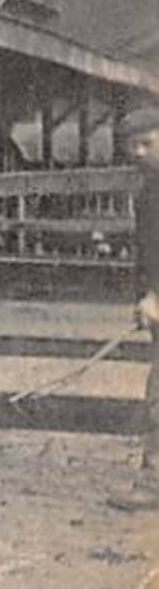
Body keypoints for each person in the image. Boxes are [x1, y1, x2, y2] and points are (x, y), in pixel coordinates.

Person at [109, 105, 159, 511]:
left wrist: (155, 295)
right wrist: (144, 293)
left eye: (146, 143)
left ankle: (156, 482)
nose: (139, 153)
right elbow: (147, 252)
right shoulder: (148, 190)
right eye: (133, 147)